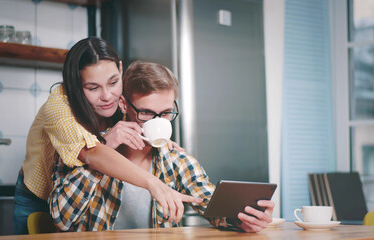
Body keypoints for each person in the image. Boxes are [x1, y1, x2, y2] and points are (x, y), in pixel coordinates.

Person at [49, 61, 275, 232]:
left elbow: (213, 207)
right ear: (124, 105)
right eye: (146, 112)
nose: (158, 122)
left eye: (166, 113)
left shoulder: (176, 160)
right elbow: (61, 219)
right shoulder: (84, 148)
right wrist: (102, 152)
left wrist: (244, 219)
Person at [13, 38, 199, 234]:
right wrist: (153, 183)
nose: (107, 96)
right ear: (76, 84)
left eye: (113, 82)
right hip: (39, 195)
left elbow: (141, 116)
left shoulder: (121, 99)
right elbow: (91, 153)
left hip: (79, 193)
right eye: (93, 88)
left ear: (120, 70)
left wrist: (157, 138)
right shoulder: (59, 108)